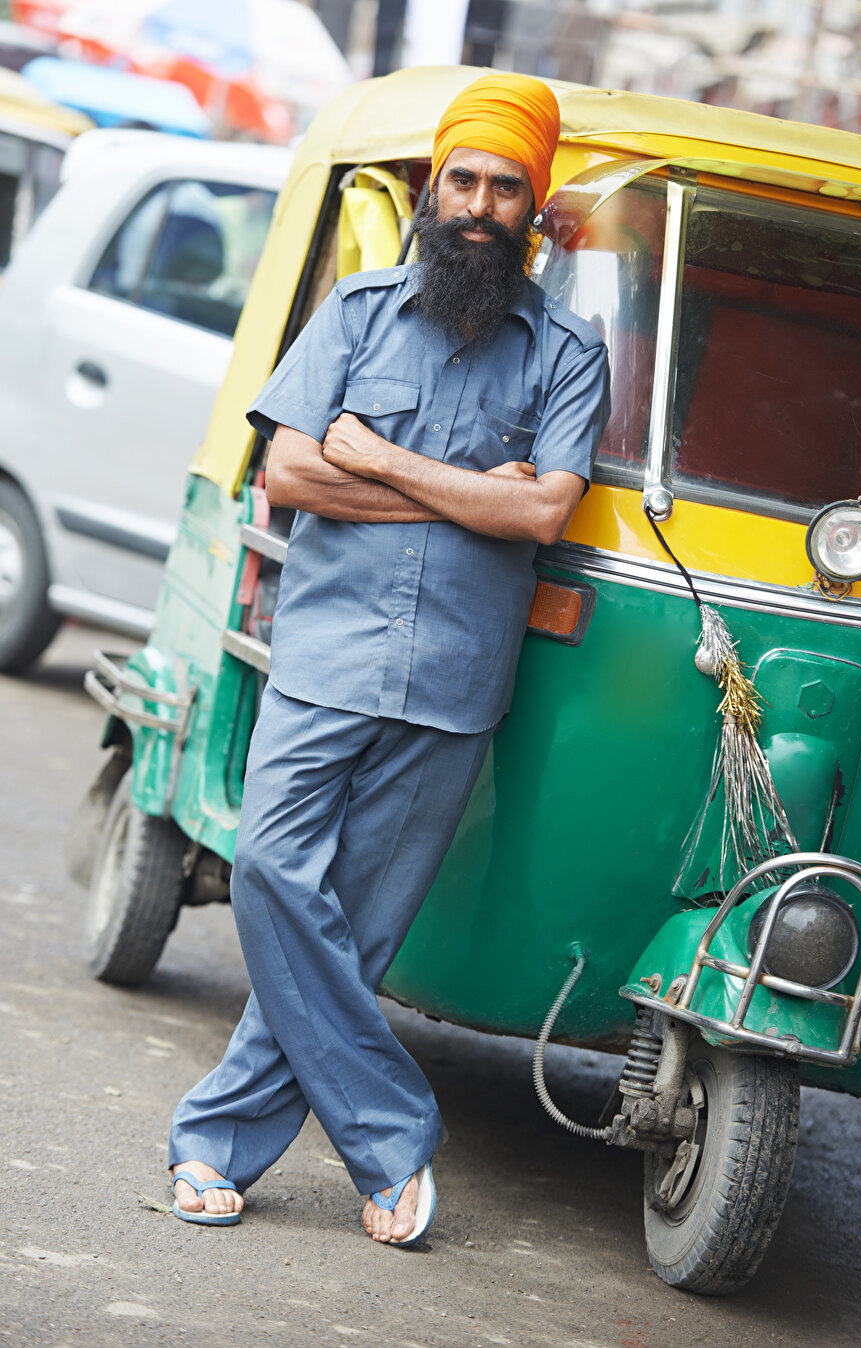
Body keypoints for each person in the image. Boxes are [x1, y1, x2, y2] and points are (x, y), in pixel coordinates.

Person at [168, 71, 610, 1246]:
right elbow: (294, 473)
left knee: (355, 939)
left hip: (454, 686)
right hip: (323, 657)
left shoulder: (568, 353)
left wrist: (386, 461)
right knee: (269, 871)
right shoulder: (357, 313)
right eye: (462, 179)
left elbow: (540, 516)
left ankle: (215, 1147)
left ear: (534, 205)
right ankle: (393, 1138)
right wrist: (465, 497)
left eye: (504, 186)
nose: (478, 203)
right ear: (432, 187)